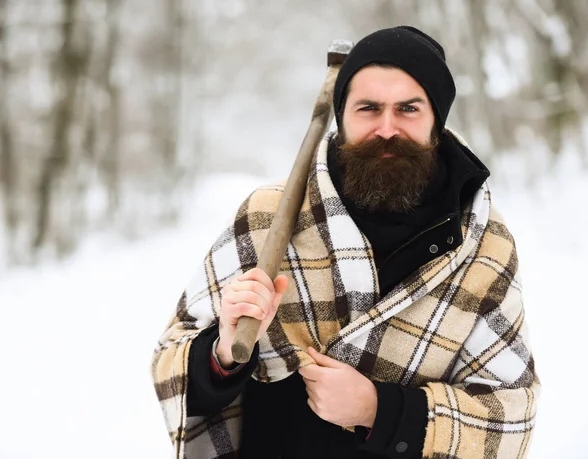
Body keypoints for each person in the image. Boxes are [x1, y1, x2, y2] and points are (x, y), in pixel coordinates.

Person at [151, 26, 540, 459]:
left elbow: (512, 415)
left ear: (437, 120)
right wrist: (222, 354)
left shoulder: (484, 247)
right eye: (368, 108)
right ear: (342, 118)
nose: (387, 128)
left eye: (408, 108)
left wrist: (380, 411)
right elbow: (171, 363)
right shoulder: (266, 217)